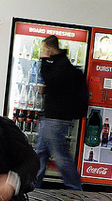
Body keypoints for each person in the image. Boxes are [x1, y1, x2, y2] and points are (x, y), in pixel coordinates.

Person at [35, 35, 83, 190]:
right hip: (52, 116)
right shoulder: (61, 63)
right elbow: (58, 86)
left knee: (60, 156)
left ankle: (75, 187)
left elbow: (50, 79)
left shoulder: (61, 64)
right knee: (41, 152)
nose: (43, 51)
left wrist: (43, 60)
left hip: (56, 118)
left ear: (49, 48)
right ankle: (33, 184)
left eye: (44, 48)